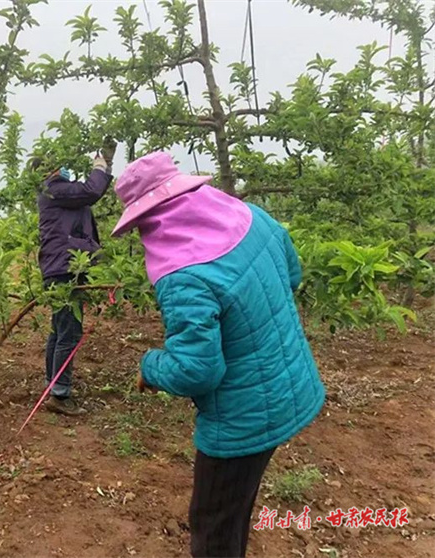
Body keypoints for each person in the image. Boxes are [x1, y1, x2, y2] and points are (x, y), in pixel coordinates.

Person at [111, 152, 325, 558]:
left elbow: (196, 370)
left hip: (240, 418)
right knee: (235, 510)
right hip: (288, 385)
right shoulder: (252, 217)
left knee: (213, 526)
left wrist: (149, 367)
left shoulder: (183, 277)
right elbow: (291, 274)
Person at [34, 142, 116, 416]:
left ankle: (53, 386)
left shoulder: (58, 192)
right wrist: (100, 168)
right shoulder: (53, 188)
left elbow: (89, 193)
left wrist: (106, 166)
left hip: (62, 268)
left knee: (60, 330)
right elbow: (91, 191)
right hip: (65, 269)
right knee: (69, 332)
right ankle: (59, 394)